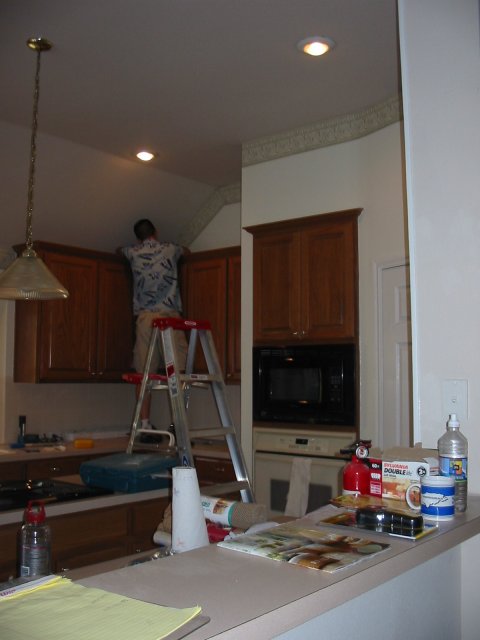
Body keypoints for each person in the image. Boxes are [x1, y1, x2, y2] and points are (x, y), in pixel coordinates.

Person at [119, 218, 189, 429]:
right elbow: (187, 251)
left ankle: (145, 424)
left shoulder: (131, 252)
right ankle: (177, 425)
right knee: (176, 372)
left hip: (146, 318)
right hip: (169, 317)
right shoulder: (170, 249)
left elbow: (117, 250)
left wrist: (134, 250)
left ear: (138, 237)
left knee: (143, 374)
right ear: (155, 232)